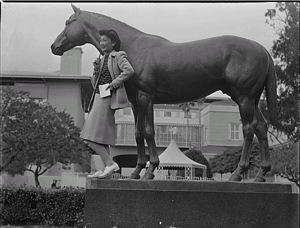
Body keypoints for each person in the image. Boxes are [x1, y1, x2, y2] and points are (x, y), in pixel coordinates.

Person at [81, 29, 134, 179]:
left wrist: (113, 84)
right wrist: (96, 70)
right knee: (101, 138)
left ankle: (110, 164)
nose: (101, 43)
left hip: (107, 97)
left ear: (113, 42)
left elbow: (129, 71)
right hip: (99, 95)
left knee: (88, 137)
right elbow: (94, 84)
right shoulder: (102, 59)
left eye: (105, 40)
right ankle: (106, 168)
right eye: (100, 40)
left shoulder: (118, 55)